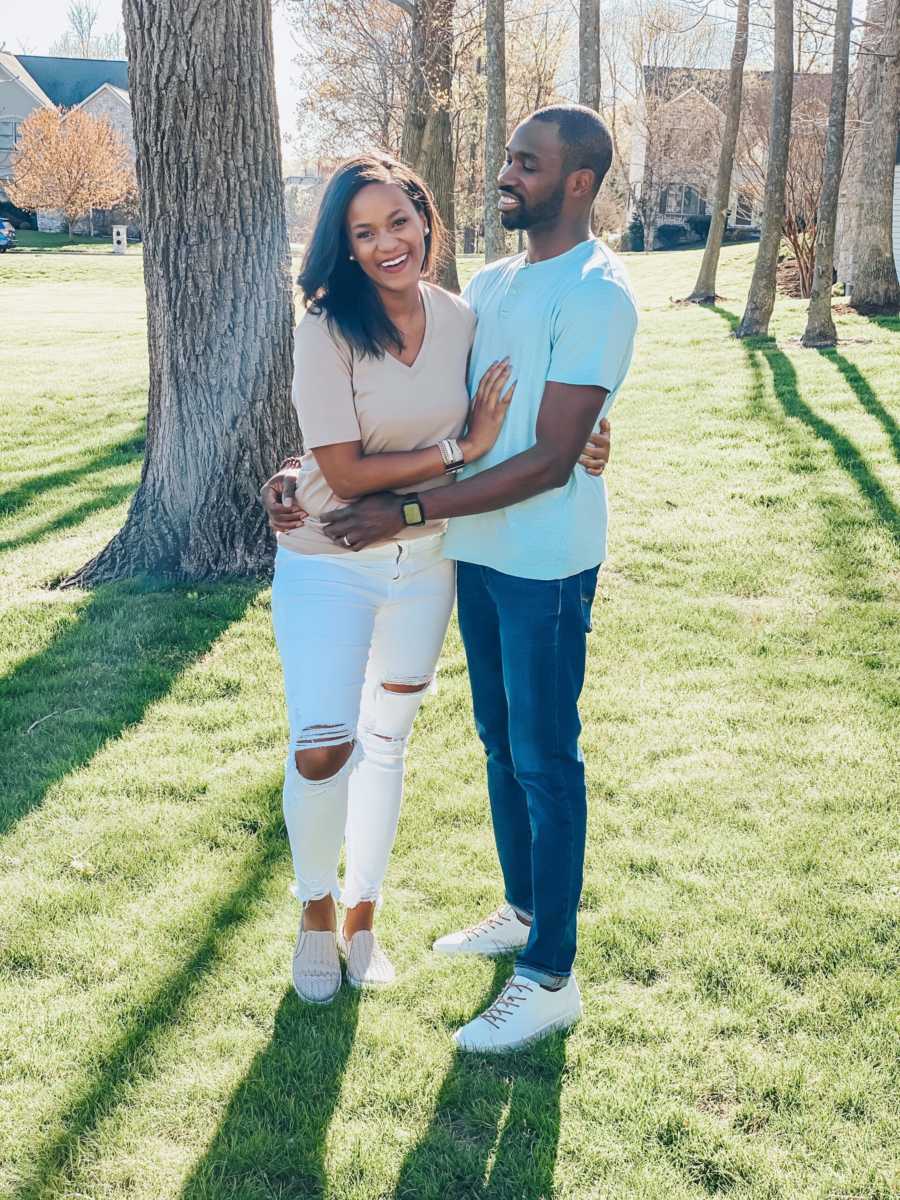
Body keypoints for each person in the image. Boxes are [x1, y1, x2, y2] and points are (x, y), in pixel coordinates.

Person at [314, 105, 638, 1051]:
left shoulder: (598, 292)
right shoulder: (493, 282)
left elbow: (547, 459)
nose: (507, 174)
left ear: (576, 183)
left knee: (546, 758)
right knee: (500, 744)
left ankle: (551, 976)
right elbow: (421, 406)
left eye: (525, 163)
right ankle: (523, 909)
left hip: (544, 561)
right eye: (507, 157)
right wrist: (303, 478)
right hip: (480, 553)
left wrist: (407, 512)